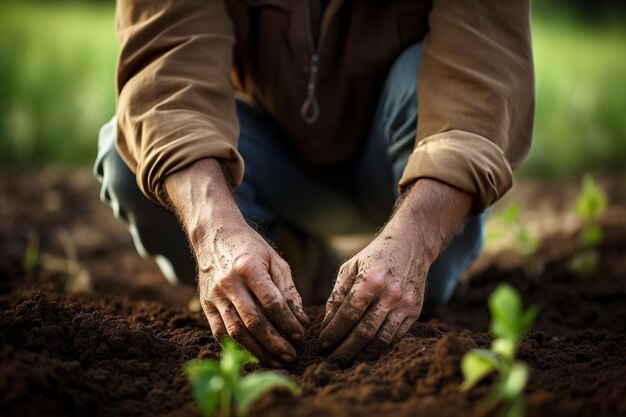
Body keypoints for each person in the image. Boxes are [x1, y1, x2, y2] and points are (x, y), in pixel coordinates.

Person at [94, 0, 534, 367]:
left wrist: (416, 242)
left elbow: (482, 77)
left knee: (416, 296)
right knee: (126, 157)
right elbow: (168, 71)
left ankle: (402, 267)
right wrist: (216, 231)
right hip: (268, 156)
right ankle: (303, 268)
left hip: (405, 158)